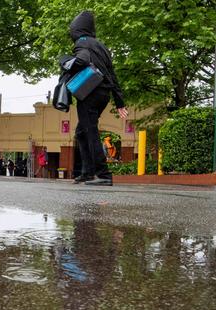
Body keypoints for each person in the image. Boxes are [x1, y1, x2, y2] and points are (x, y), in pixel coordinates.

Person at [68, 11, 127, 186]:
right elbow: (112, 73)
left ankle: (104, 175)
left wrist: (67, 63)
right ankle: (87, 173)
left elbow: (82, 60)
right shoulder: (102, 46)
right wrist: (119, 101)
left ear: (77, 30)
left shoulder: (81, 43)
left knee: (89, 131)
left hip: (89, 92)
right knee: (81, 132)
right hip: (104, 94)